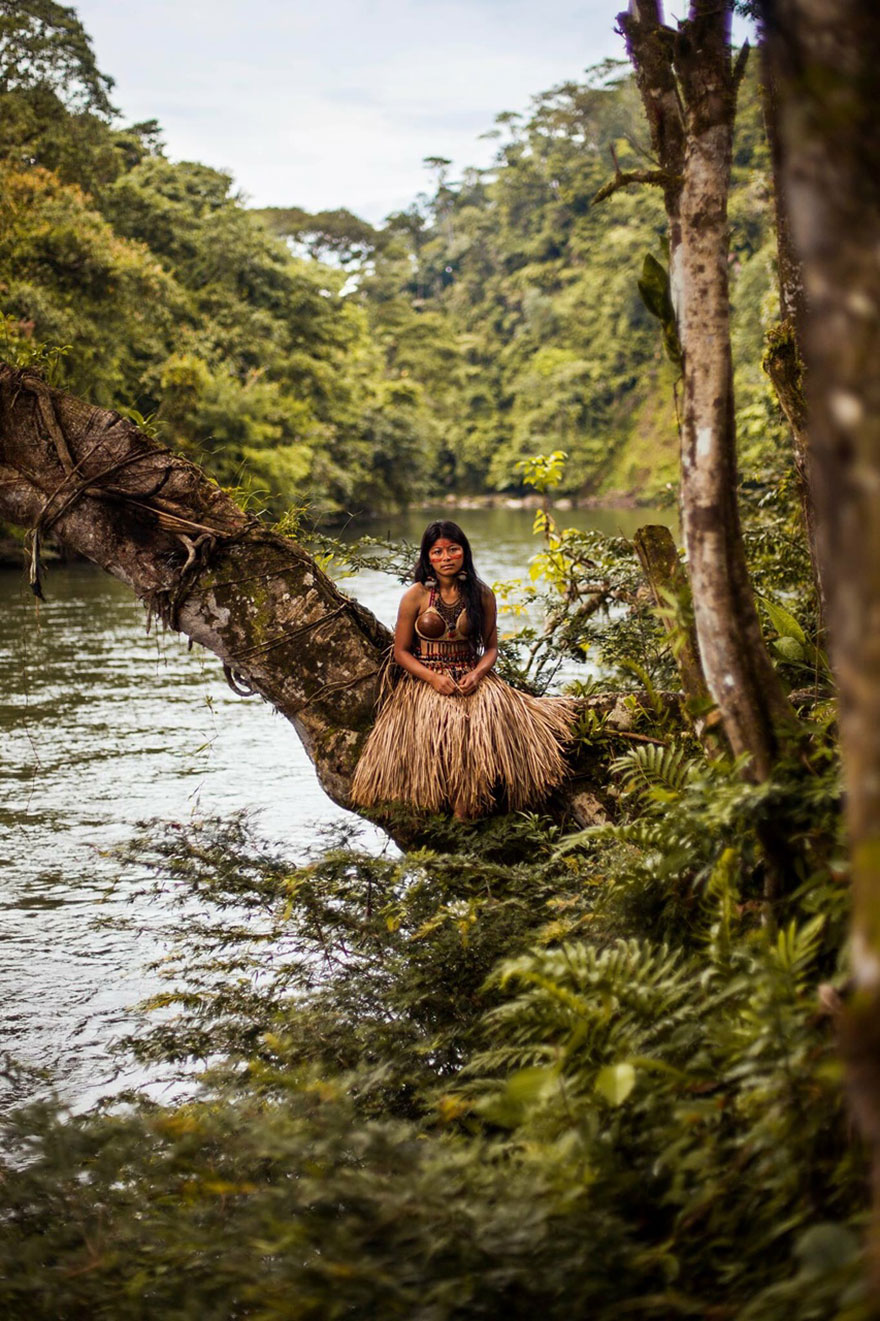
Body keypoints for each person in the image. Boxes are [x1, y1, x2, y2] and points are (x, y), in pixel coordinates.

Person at [351, 520, 578, 819]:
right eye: (438, 552)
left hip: (472, 677)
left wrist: (478, 674)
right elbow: (401, 652)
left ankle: (472, 804)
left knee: (476, 728)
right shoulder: (415, 596)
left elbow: (491, 649)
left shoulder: (482, 594)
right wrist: (432, 678)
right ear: (427, 557)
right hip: (426, 683)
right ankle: (437, 798)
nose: (446, 557)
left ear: (464, 552)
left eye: (453, 550)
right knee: (447, 731)